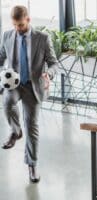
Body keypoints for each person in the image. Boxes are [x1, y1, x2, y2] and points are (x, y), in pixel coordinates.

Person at [0, 5, 58, 183]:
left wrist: (49, 74)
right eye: (15, 25)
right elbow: (1, 58)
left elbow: (53, 63)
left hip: (33, 86)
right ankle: (15, 132)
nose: (18, 29)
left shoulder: (42, 38)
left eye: (21, 25)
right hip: (14, 82)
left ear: (28, 19)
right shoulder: (7, 35)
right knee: (8, 102)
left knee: (31, 127)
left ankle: (32, 166)